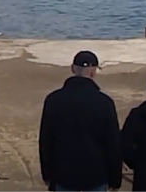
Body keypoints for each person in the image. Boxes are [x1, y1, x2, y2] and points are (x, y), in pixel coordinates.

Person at [39, 51, 122, 192]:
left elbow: (46, 140)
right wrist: (115, 179)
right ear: (93, 72)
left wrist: (47, 174)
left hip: (63, 173)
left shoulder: (54, 100)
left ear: (72, 69)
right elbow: (112, 143)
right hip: (96, 175)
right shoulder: (104, 102)